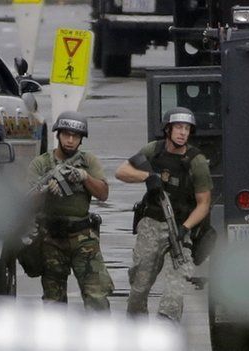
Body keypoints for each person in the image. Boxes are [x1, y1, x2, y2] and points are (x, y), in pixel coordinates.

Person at [115, 107, 213, 322]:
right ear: (168, 129)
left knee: (174, 291)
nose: (182, 133)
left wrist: (185, 228)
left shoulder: (196, 161)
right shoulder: (154, 150)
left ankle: (166, 331)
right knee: (139, 286)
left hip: (180, 229)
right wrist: (147, 177)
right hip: (151, 224)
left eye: (187, 128)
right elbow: (121, 171)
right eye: (178, 127)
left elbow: (204, 204)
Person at [27, 111, 113, 311]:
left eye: (75, 136)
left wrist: (84, 177)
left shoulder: (88, 161)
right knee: (53, 301)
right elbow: (26, 202)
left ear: (81, 139)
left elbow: (103, 193)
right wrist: (47, 191)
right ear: (58, 135)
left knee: (97, 297)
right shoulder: (42, 164)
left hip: (83, 237)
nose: (70, 140)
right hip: (51, 238)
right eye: (66, 134)